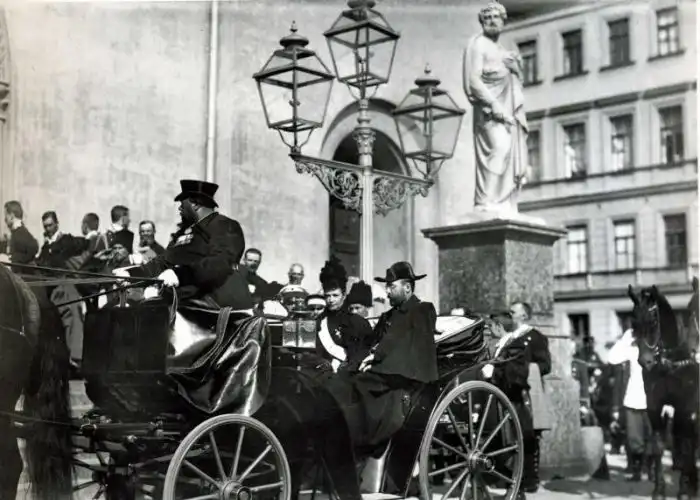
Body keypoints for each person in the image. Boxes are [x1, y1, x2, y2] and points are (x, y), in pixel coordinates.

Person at [113, 179, 253, 309]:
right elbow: (163, 262)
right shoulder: (184, 232)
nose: (180, 208)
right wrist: (130, 274)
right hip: (184, 300)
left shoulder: (225, 225)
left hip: (219, 303)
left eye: (182, 204)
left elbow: (220, 262)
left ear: (195, 204)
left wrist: (180, 275)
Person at [463, 1, 528, 213]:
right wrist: (493, 104)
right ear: (482, 22)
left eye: (495, 17)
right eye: (487, 18)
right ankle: (484, 201)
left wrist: (516, 69)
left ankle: (503, 201)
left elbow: (515, 82)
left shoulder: (501, 50)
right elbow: (474, 80)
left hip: (507, 110)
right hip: (489, 111)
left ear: (502, 21)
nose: (491, 21)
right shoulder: (478, 44)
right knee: (499, 147)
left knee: (509, 153)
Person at [482, 302, 551, 498]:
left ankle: (530, 478)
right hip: (509, 386)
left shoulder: (535, 337)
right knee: (514, 434)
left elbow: (545, 365)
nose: (509, 314)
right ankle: (515, 477)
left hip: (527, 389)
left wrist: (523, 369)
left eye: (513, 312)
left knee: (528, 434)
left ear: (524, 316)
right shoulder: (511, 338)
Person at [607, 328, 652, 481]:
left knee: (651, 437)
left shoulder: (657, 348)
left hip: (652, 399)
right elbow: (612, 358)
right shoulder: (632, 349)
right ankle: (637, 470)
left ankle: (650, 469)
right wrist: (627, 338)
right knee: (634, 438)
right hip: (633, 398)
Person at [316, 257, 374, 372]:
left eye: (335, 295)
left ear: (343, 295)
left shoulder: (358, 323)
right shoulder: (318, 322)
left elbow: (363, 353)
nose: (331, 300)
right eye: (327, 296)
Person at [1, 200, 38, 265]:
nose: (5, 219)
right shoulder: (17, 232)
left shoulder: (21, 233)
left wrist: (11, 258)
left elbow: (33, 247)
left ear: (11, 216)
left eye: (6, 215)